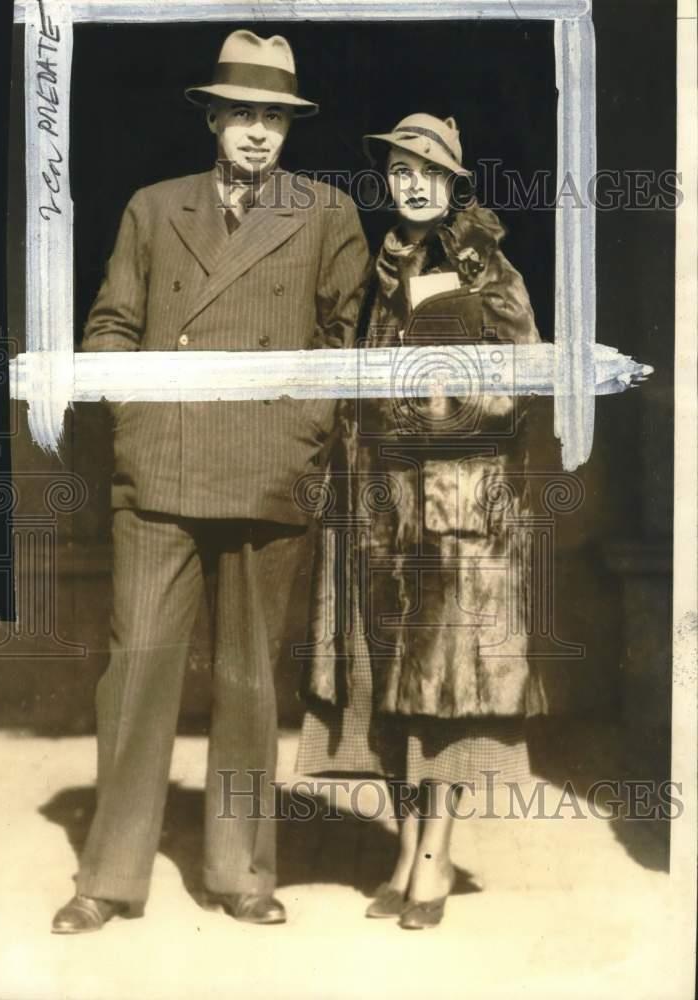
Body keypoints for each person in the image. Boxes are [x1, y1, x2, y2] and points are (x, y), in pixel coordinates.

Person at [52, 29, 368, 933]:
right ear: (213, 120)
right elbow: (111, 325)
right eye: (242, 114)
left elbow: (340, 347)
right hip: (161, 469)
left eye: (275, 117)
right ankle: (108, 879)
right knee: (135, 672)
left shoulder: (328, 213)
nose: (258, 132)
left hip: (269, 470)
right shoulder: (155, 208)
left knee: (249, 681)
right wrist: (138, 417)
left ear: (289, 128)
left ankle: (241, 872)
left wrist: (298, 438)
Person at [297, 113, 548, 929]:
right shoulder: (382, 268)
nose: (412, 184)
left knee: (444, 685)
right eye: (401, 170)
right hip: (382, 505)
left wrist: (428, 407)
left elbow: (519, 381)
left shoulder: (486, 266)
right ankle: (406, 848)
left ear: (453, 184)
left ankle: (435, 856)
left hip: (457, 507)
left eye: (429, 171)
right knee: (387, 684)